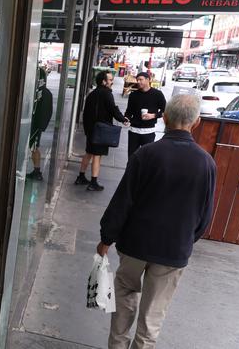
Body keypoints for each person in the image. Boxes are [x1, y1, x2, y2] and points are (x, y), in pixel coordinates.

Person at [96, 94, 216, 349]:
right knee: (152, 316)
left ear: (164, 118)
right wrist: (185, 239)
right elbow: (205, 215)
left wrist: (107, 238)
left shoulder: (146, 154)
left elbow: (123, 201)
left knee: (125, 298)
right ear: (196, 123)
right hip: (173, 250)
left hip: (135, 245)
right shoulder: (206, 163)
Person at [76, 70, 129, 191]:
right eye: (110, 80)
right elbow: (113, 109)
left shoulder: (92, 94)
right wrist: (123, 119)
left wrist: (87, 130)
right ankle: (93, 183)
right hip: (100, 130)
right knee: (97, 156)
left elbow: (86, 113)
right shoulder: (106, 94)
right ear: (104, 81)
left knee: (89, 153)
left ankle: (81, 177)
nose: (112, 82)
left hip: (91, 129)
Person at [124, 72, 166, 158]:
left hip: (148, 131)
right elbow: (129, 111)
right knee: (132, 157)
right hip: (134, 130)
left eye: (141, 80)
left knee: (146, 158)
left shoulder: (157, 94)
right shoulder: (133, 95)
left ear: (148, 80)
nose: (138, 82)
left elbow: (165, 111)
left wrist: (153, 115)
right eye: (137, 80)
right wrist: (126, 118)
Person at [26, 67, 54, 181]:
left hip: (36, 125)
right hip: (31, 124)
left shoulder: (45, 93)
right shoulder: (34, 90)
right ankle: (36, 170)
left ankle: (37, 171)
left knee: (34, 147)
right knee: (33, 147)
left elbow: (47, 111)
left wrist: (41, 127)